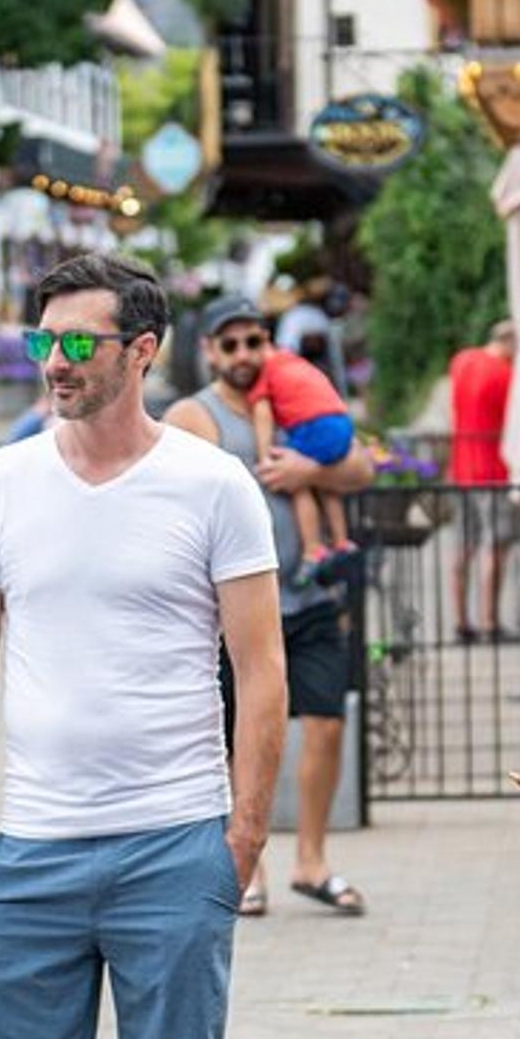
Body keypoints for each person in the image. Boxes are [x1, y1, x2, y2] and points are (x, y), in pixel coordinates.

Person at [0, 254, 285, 1039]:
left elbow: (259, 672)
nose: (53, 360)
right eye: (41, 340)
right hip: (28, 848)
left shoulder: (210, 484)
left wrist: (240, 842)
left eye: (76, 342)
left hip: (173, 845)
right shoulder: (0, 483)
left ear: (141, 350)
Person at [165, 293, 375, 917]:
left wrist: (310, 469)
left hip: (309, 597)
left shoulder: (289, 394)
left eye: (253, 341)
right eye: (229, 344)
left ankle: (312, 860)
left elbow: (360, 466)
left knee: (327, 722)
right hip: (234, 612)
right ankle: (246, 866)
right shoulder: (193, 416)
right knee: (236, 737)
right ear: (208, 351)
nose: (243, 354)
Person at [245, 343, 357, 586]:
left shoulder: (266, 372)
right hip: (341, 423)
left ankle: (312, 549)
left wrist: (265, 458)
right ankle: (341, 542)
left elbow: (262, 414)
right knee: (324, 483)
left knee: (297, 480)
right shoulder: (294, 362)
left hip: (315, 426)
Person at [446, 321, 520, 642]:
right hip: (495, 471)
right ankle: (490, 622)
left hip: (462, 469)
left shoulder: (462, 361)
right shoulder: (507, 375)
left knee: (462, 548)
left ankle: (461, 622)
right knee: (495, 549)